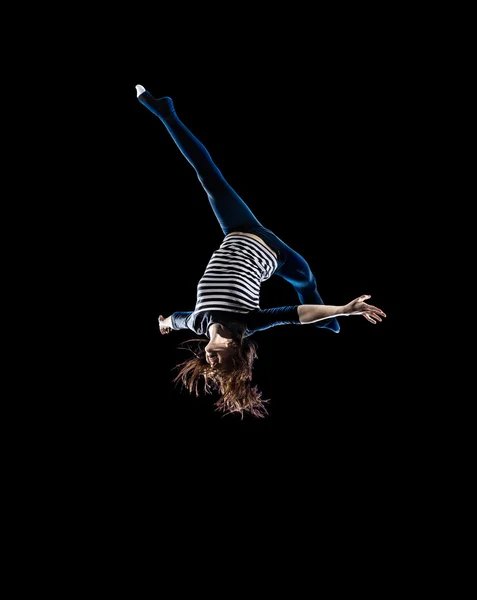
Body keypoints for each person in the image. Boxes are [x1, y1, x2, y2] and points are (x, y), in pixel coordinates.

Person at [136, 84, 386, 418]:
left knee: (209, 179)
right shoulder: (248, 323)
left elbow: (174, 321)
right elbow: (295, 315)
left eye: (209, 367)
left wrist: (165, 323)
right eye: (221, 365)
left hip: (238, 229)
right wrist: (342, 309)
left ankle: (165, 111)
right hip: (278, 254)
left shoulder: (197, 322)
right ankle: (332, 325)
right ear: (235, 354)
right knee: (305, 286)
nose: (211, 362)